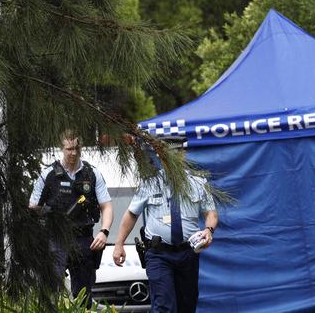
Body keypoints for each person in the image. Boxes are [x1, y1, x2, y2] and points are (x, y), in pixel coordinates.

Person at [112, 150, 218, 313]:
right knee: (164, 306)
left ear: (183, 154)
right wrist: (119, 244)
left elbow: (211, 213)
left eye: (177, 153)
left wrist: (209, 230)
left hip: (187, 253)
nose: (173, 158)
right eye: (168, 154)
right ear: (161, 157)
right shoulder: (150, 183)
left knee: (187, 305)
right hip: (159, 253)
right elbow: (132, 214)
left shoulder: (198, 183)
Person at [28, 129, 113, 306]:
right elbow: (33, 206)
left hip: (83, 239)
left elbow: (107, 207)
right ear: (62, 148)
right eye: (69, 149)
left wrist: (104, 232)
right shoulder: (49, 174)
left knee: (84, 296)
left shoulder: (92, 173)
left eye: (76, 147)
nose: (73, 152)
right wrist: (50, 215)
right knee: (51, 294)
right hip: (55, 238)